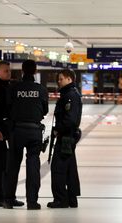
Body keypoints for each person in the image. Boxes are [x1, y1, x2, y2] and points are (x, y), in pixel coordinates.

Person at [3, 60, 48, 210]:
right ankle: (32, 202)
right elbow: (45, 110)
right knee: (33, 166)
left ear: (22, 71)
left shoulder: (14, 88)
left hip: (16, 131)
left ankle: (8, 200)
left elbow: (7, 108)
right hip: (34, 131)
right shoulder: (40, 89)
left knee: (13, 165)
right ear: (35, 71)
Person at [0, 61, 24, 208]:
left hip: (9, 130)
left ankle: (9, 196)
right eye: (6, 71)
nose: (9, 73)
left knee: (9, 165)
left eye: (9, 70)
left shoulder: (10, 86)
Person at [47, 70, 82, 209]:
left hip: (66, 136)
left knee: (58, 168)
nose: (58, 81)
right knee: (69, 168)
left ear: (69, 79)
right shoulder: (70, 94)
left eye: (61, 79)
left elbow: (71, 120)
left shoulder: (70, 96)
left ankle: (61, 199)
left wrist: (58, 129)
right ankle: (72, 199)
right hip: (68, 136)